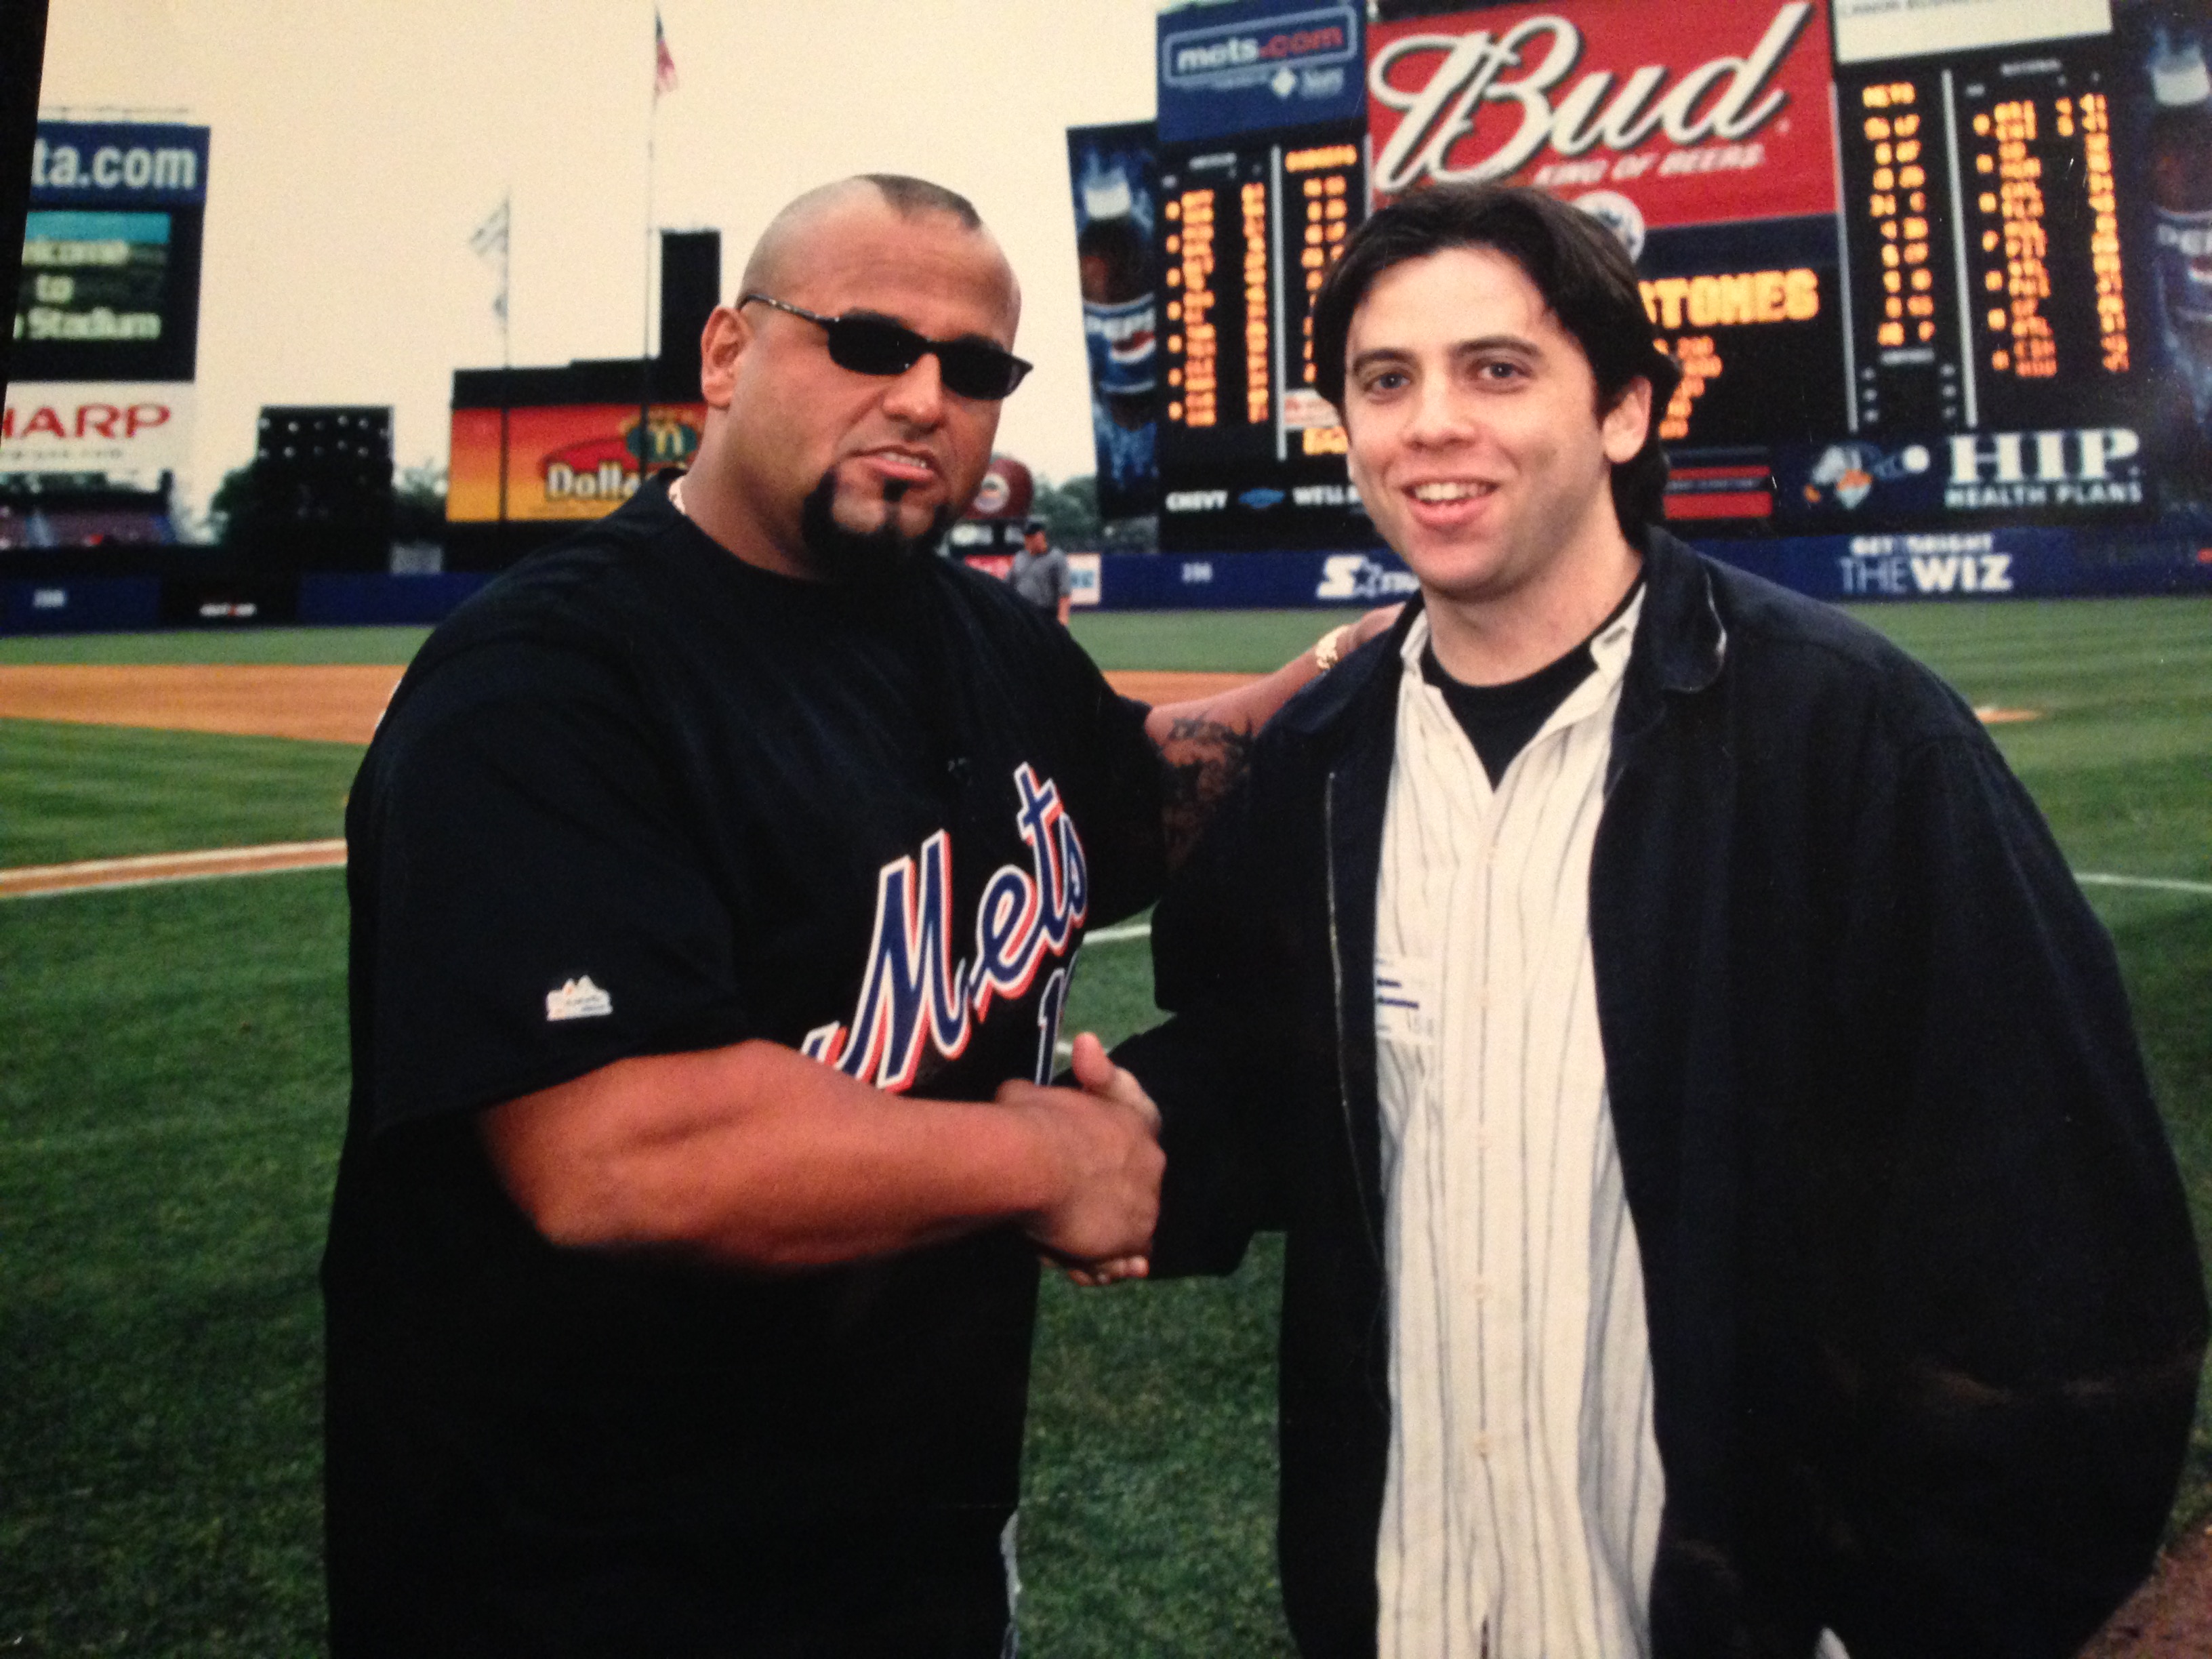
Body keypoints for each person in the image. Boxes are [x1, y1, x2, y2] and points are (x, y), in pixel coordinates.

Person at [1116, 183, 2208, 1659]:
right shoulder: (1318, 763)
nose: (1432, 422)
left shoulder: (1855, 737)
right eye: (1386, 380)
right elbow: (1269, 1082)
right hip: (1414, 1607)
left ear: (1624, 411)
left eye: (1497, 370)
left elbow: (2064, 1263)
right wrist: (1120, 1143)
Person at [322, 173, 1380, 1658]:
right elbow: (621, 1152)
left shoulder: (975, 638)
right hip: (586, 1580)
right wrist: (1044, 1154)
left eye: (974, 367)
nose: (923, 396)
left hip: (914, 1548)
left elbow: (1142, 797)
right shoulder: (551, 682)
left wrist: (1356, 673)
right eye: (869, 341)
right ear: (727, 356)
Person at [1006, 516, 1072, 624]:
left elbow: (1064, 592)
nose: (1027, 540)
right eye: (1026, 537)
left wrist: (1063, 619)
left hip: (1046, 614)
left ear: (1041, 535)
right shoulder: (1019, 557)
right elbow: (1008, 585)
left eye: (1031, 537)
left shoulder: (1056, 558)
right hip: (1022, 614)